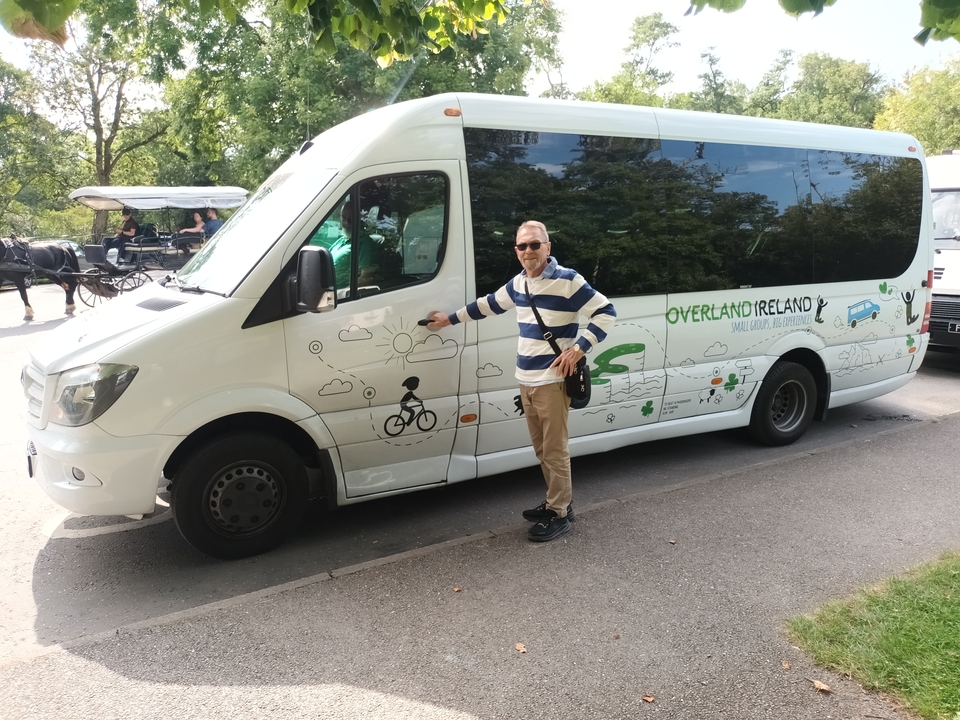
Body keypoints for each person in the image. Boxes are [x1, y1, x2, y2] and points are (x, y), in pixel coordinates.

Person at [428, 220, 616, 542]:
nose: (528, 250)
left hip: (552, 380)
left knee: (554, 449)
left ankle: (559, 513)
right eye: (522, 246)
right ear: (516, 251)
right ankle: (558, 501)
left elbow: (606, 312)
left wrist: (579, 349)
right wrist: (449, 319)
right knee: (542, 448)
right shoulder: (519, 284)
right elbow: (487, 304)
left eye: (535, 244)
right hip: (525, 379)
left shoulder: (568, 281)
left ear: (548, 247)